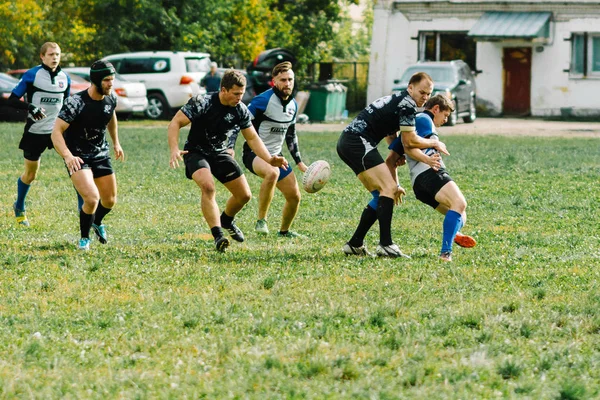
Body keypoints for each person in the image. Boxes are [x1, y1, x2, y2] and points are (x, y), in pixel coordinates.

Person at [168, 69, 288, 252]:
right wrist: (174, 149)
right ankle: (218, 236)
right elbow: (175, 123)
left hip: (220, 153)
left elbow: (253, 138)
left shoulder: (240, 110)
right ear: (223, 90)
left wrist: (270, 159)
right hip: (196, 152)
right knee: (208, 187)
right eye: (236, 93)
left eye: (242, 93)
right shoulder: (202, 102)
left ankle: (227, 220)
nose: (240, 97)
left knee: (244, 195)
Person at [336, 72, 449, 258]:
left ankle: (355, 243)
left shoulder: (399, 99)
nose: (425, 97)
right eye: (422, 92)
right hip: (357, 142)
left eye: (428, 94)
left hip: (348, 142)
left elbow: (391, 136)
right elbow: (410, 140)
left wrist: (395, 159)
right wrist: (434, 143)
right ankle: (386, 245)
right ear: (410, 87)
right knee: (387, 188)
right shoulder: (408, 105)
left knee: (380, 194)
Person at [386, 94, 476, 261]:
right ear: (436, 109)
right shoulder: (424, 119)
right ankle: (445, 253)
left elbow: (391, 159)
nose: (445, 120)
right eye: (445, 115)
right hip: (431, 173)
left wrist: (395, 185)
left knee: (460, 215)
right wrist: (429, 155)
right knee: (459, 203)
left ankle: (453, 234)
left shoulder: (410, 127)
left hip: (419, 185)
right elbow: (411, 147)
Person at [51, 60, 125, 251]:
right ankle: (84, 239)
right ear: (96, 80)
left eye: (112, 79)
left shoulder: (111, 98)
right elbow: (56, 132)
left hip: (100, 153)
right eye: (107, 80)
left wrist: (116, 142)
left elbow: (111, 116)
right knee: (92, 198)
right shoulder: (76, 102)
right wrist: (68, 156)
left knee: (109, 200)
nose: (111, 84)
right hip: (77, 156)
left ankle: (97, 222)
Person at [227, 61, 307, 237]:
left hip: (276, 156)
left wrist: (299, 161)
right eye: (283, 80)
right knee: (272, 173)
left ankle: (284, 232)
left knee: (294, 196)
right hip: (254, 154)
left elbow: (291, 135)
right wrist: (230, 147)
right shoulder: (262, 101)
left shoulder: (293, 105)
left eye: (290, 80)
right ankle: (261, 221)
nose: (287, 84)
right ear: (274, 81)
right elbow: (240, 122)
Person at [9, 42, 71, 226]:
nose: (54, 58)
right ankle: (19, 206)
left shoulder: (65, 78)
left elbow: (67, 106)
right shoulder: (32, 75)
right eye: (51, 54)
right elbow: (12, 100)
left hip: (58, 131)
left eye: (57, 54)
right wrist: (30, 107)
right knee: (30, 174)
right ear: (42, 56)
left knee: (75, 167)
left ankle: (86, 214)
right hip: (35, 132)